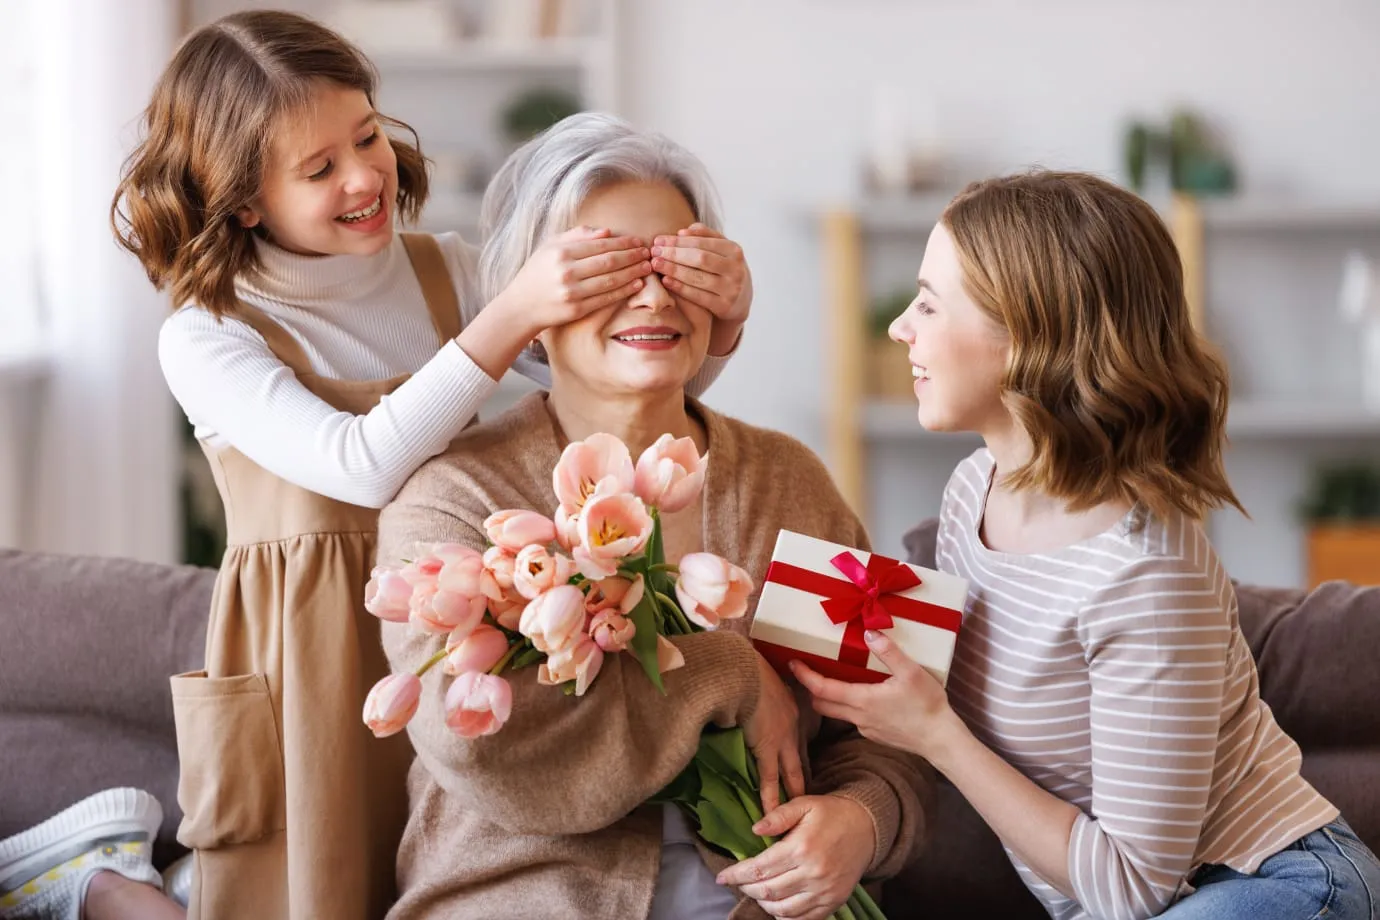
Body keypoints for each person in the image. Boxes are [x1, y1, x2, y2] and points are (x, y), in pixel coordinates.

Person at [0, 12, 750, 920]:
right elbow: (359, 467)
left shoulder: (452, 273)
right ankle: (94, 880)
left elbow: (620, 383)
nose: (364, 177)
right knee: (295, 891)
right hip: (310, 645)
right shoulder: (207, 334)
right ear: (244, 199)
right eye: (319, 169)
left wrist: (724, 320)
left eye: (367, 136)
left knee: (440, 860)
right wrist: (511, 312)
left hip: (454, 624)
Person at [375, 112, 933, 920]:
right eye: (605, 265)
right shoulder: (460, 497)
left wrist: (862, 821)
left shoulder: (788, 482)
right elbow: (479, 744)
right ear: (532, 295)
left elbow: (892, 726)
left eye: (678, 263)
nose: (650, 293)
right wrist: (728, 674)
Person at [792, 170, 1380, 920]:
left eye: (931, 304)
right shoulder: (972, 490)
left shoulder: (1146, 572)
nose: (900, 327)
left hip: (1271, 885)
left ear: (1028, 332)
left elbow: (1134, 890)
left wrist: (937, 734)